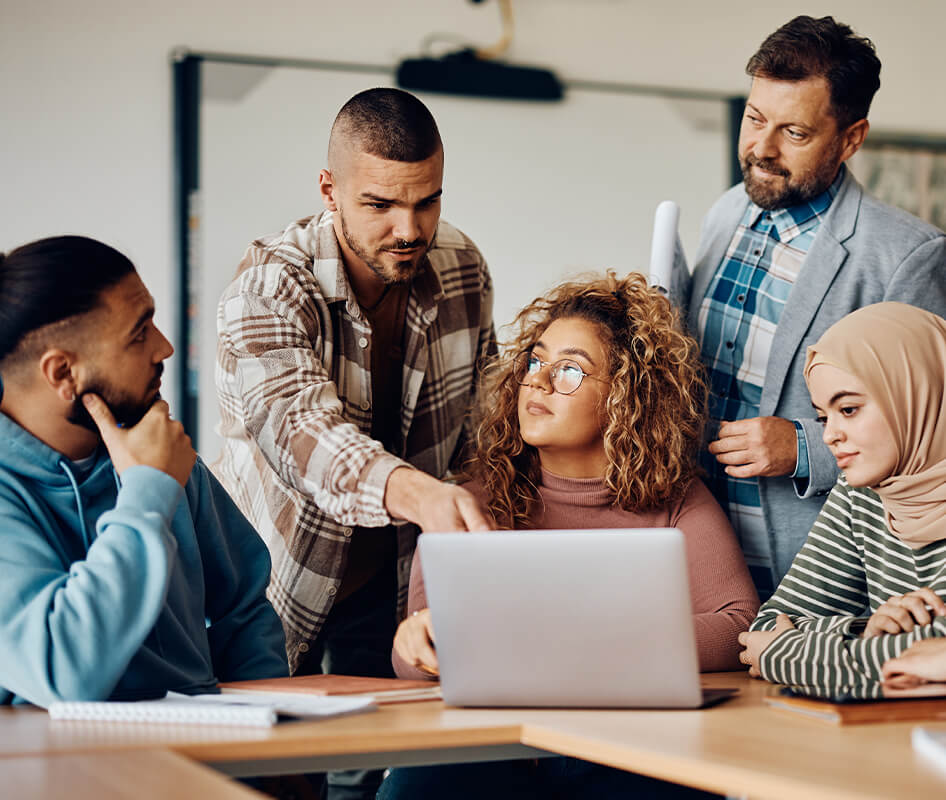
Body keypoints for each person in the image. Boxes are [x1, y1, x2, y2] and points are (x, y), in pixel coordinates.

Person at [214, 87, 494, 799]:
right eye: (380, 205)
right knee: (275, 782)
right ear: (329, 190)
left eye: (426, 201)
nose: (410, 228)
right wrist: (419, 493)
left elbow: (485, 425)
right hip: (276, 588)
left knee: (376, 779)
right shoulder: (268, 287)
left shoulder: (463, 267)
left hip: (401, 590)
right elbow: (301, 432)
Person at [381, 272, 758, 799]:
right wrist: (414, 644)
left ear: (627, 397)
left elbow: (740, 624)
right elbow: (416, 664)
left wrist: (591, 639)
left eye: (569, 372)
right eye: (536, 361)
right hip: (489, 750)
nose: (536, 381)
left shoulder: (677, 500)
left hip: (626, 749)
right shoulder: (471, 502)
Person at [669, 15, 946, 601]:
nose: (761, 150)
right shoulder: (724, 213)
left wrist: (801, 448)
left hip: (811, 570)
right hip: (695, 553)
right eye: (754, 119)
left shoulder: (907, 256)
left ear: (850, 138)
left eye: (793, 133)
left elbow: (934, 436)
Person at [0, 236, 288, 708]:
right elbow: (65, 669)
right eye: (139, 332)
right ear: (62, 373)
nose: (165, 347)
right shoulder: (152, 474)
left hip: (210, 755)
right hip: (64, 772)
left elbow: (244, 610)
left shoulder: (162, 451)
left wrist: (273, 748)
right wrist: (147, 492)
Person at [738, 302, 946, 699]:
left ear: (916, 394)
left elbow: (932, 659)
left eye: (848, 409)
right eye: (823, 417)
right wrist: (863, 630)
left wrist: (785, 654)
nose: (831, 435)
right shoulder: (860, 492)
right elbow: (764, 628)